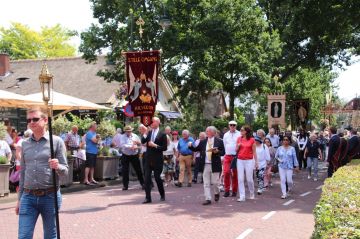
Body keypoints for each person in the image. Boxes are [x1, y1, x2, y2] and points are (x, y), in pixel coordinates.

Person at [16, 107, 68, 239]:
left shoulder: (56, 142)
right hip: (28, 197)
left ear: (45, 120)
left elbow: (65, 171)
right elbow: (23, 173)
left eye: (35, 119)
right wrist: (19, 199)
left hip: (50, 196)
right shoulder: (25, 144)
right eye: (29, 120)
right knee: (24, 236)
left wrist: (58, 166)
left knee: (50, 235)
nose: (31, 122)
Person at [189, 126, 225, 205]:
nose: (206, 132)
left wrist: (217, 151)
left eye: (208, 131)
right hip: (205, 164)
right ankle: (208, 199)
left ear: (213, 132)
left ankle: (217, 192)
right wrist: (190, 146)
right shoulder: (203, 141)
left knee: (215, 182)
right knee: (206, 183)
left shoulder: (219, 141)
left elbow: (223, 152)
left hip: (215, 164)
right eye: (206, 131)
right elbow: (196, 149)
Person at [141, 117, 167, 204]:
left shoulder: (163, 134)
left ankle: (162, 194)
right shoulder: (149, 132)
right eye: (151, 121)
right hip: (148, 159)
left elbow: (164, 148)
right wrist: (145, 133)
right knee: (147, 179)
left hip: (157, 160)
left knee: (157, 178)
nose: (151, 123)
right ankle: (148, 198)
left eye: (153, 121)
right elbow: (142, 141)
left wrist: (155, 145)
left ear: (158, 122)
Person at [236, 125, 257, 202]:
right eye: (240, 130)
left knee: (249, 179)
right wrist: (238, 146)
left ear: (246, 131)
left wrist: (256, 162)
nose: (240, 131)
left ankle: (251, 193)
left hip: (249, 160)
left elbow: (254, 152)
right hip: (240, 160)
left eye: (242, 130)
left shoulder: (252, 140)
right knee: (240, 179)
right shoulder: (239, 139)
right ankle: (242, 196)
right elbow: (236, 150)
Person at [119, 125, 144, 190]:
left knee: (138, 170)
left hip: (134, 155)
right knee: (125, 171)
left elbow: (140, 144)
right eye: (127, 131)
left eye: (130, 131)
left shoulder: (135, 136)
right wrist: (131, 146)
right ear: (125, 131)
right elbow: (122, 145)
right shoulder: (122, 137)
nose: (128, 132)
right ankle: (125, 185)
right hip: (125, 155)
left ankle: (143, 184)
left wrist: (137, 147)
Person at [222, 120, 240, 197]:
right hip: (227, 156)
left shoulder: (239, 134)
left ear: (236, 126)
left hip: (236, 156)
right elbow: (224, 144)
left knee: (235, 174)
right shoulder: (226, 134)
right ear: (229, 126)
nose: (232, 126)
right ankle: (226, 190)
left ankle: (234, 191)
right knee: (226, 173)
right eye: (231, 125)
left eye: (234, 125)